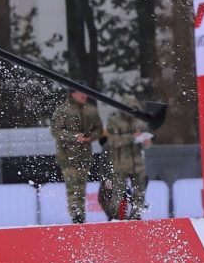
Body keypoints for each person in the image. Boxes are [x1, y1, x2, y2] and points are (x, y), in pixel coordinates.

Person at [50, 89, 102, 222]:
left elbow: (99, 129)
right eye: (80, 92)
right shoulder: (62, 110)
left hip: (84, 156)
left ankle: (80, 215)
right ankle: (76, 215)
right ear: (72, 94)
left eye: (84, 92)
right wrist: (74, 137)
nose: (84, 95)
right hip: (67, 156)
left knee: (81, 187)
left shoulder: (91, 110)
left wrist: (90, 137)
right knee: (73, 187)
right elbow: (56, 131)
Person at [104, 112, 151, 220]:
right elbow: (111, 145)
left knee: (138, 192)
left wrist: (146, 141)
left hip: (135, 168)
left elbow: (145, 146)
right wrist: (106, 176)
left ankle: (135, 216)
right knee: (118, 193)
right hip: (119, 168)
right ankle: (115, 217)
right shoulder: (115, 125)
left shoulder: (139, 127)